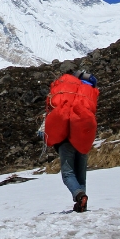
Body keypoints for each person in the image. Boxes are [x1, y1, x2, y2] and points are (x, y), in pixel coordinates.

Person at [44, 69, 99, 212]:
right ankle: (82, 203)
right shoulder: (86, 92)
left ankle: (79, 196)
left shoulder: (64, 93)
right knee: (81, 175)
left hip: (65, 139)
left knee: (68, 174)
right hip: (82, 136)